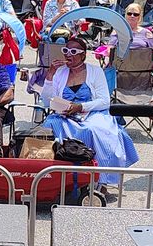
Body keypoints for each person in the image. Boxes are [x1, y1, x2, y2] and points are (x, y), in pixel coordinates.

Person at [41, 34, 138, 190]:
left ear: (83, 55)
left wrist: (81, 107)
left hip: (92, 113)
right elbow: (47, 101)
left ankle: (101, 178)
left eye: (73, 52)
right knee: (49, 125)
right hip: (66, 116)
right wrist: (50, 75)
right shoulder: (60, 72)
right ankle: (57, 176)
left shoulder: (95, 71)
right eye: (66, 50)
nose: (68, 54)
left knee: (93, 129)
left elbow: (104, 101)